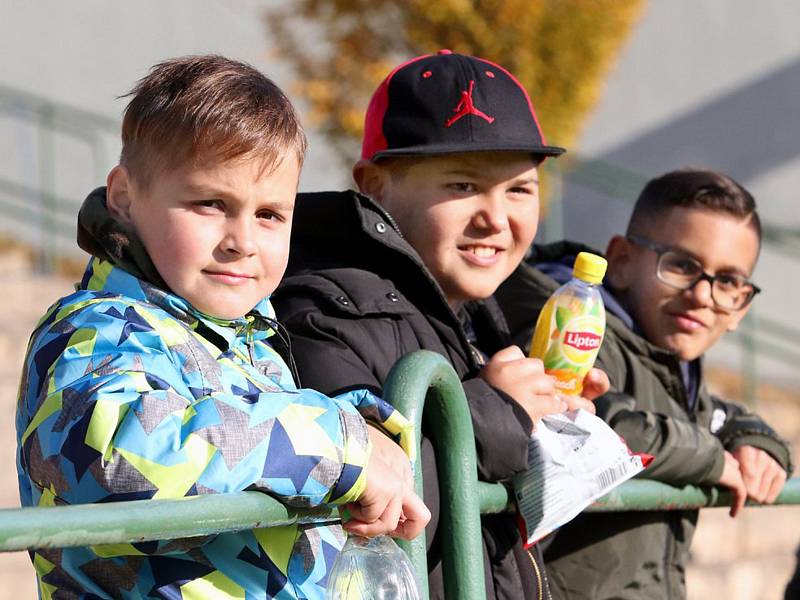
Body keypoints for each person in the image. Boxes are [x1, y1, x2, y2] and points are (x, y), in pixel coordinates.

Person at [15, 54, 429, 599]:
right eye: (210, 203)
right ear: (123, 198)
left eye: (269, 215)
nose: (242, 241)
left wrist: (369, 433)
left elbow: (251, 430)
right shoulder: (96, 328)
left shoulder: (245, 340)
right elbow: (120, 460)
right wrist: (341, 443)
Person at [272, 49, 608, 600]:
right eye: (462, 186)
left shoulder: (476, 315)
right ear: (375, 185)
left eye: (519, 189)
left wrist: (554, 421)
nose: (496, 219)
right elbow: (362, 488)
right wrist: (502, 410)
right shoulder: (321, 309)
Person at [496, 167, 794, 599]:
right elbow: (596, 419)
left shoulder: (668, 358)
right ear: (620, 261)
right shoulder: (571, 325)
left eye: (728, 281)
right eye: (681, 265)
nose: (702, 295)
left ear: (742, 306)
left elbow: (712, 413)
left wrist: (756, 439)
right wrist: (711, 458)